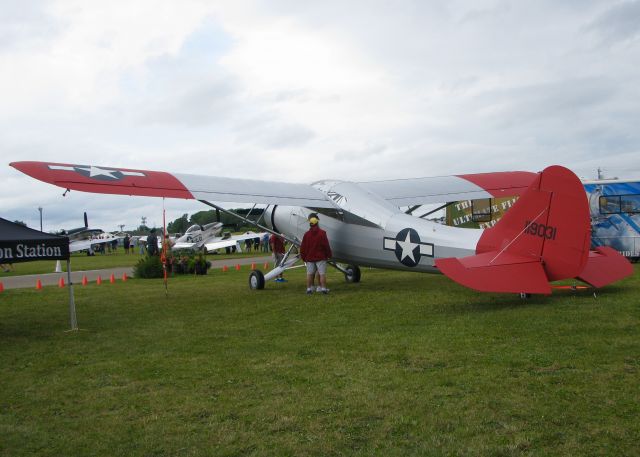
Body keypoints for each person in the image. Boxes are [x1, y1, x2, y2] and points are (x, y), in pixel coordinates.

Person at [299, 213, 332, 294]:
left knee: (309, 274)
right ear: (317, 222)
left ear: (310, 224)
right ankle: (323, 289)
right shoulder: (322, 233)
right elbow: (326, 245)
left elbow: (303, 247)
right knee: (322, 274)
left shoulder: (306, 234)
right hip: (321, 257)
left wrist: (303, 257)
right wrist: (329, 255)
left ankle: (309, 289)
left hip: (309, 258)